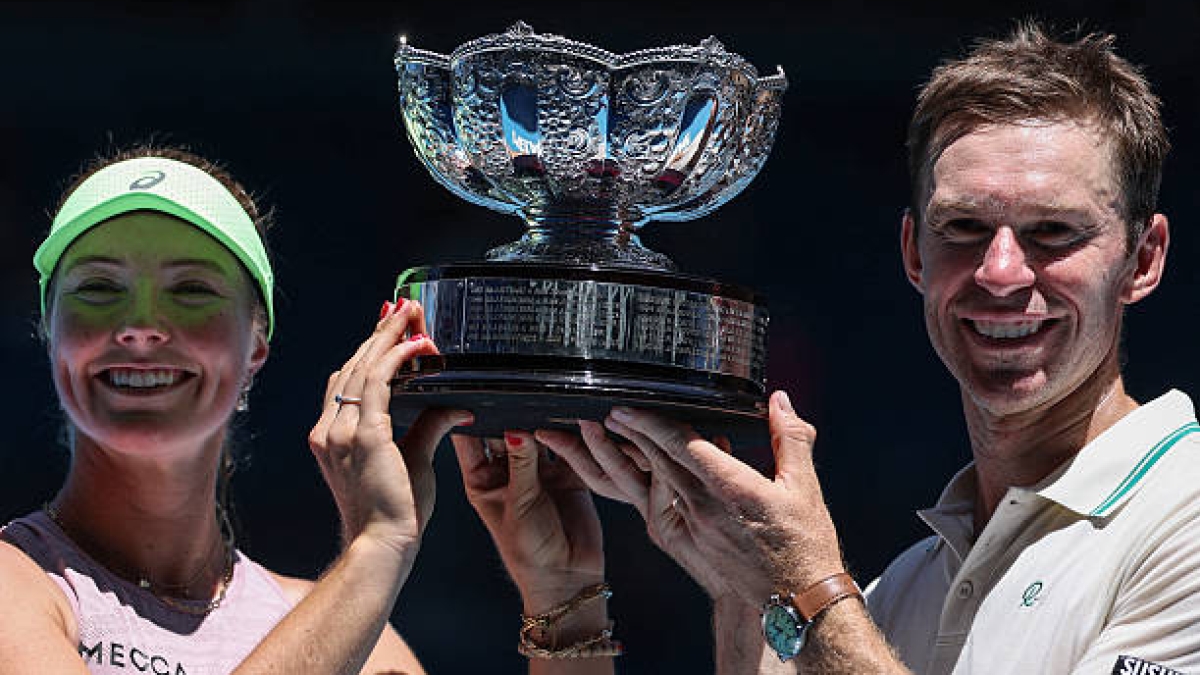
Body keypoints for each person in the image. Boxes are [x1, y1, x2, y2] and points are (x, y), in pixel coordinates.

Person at [534, 21, 1200, 674]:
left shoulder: (1183, 515)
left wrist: (810, 582)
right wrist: (575, 589)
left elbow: (825, 608)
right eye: (963, 226)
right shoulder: (906, 587)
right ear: (914, 252)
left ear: (1144, 258)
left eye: (1053, 231)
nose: (1000, 271)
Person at [0, 146, 610, 675]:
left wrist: (565, 595)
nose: (138, 327)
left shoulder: (359, 637)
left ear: (256, 346)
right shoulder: (16, 587)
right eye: (99, 288)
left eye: (191, 290)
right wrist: (375, 546)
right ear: (50, 333)